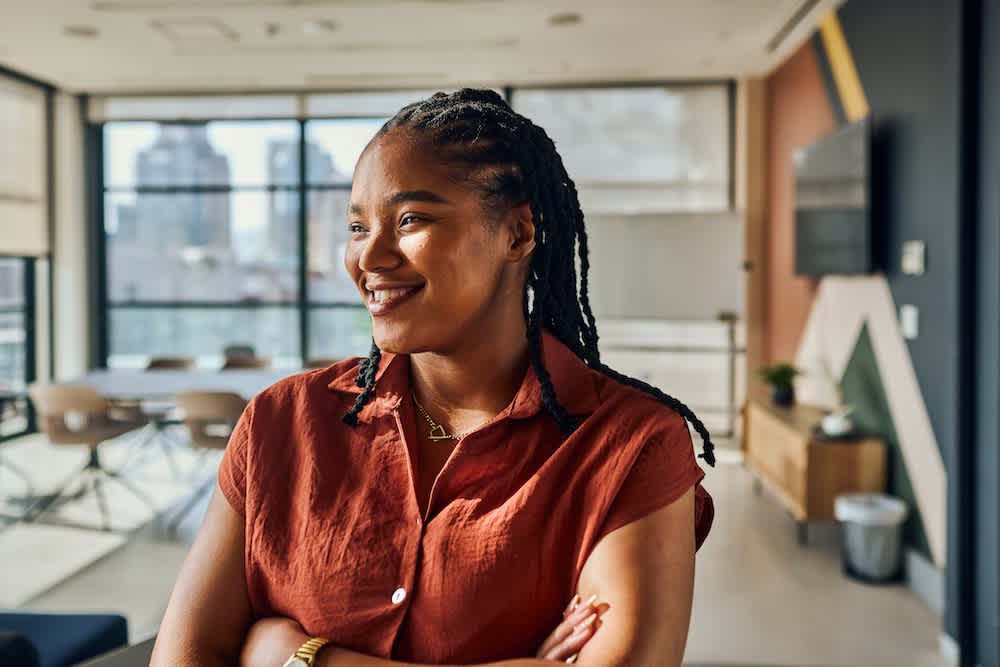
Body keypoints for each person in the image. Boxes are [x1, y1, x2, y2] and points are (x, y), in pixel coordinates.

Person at [151, 89, 715, 667]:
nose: (369, 257)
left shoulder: (629, 444)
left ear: (519, 234)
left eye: (411, 219)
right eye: (355, 226)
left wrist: (294, 656)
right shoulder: (278, 421)